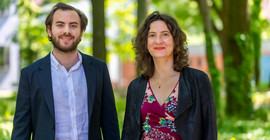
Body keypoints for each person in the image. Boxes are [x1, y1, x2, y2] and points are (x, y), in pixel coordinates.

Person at [11, 2, 120, 140]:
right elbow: (21, 131)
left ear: (81, 32)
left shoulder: (99, 70)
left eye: (73, 26)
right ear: (49, 30)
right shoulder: (30, 74)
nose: (66, 31)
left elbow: (111, 126)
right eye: (60, 25)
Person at [121, 11, 217, 140]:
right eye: (152, 35)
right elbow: (128, 134)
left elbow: (210, 132)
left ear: (175, 40)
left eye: (165, 34)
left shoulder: (198, 80)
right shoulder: (135, 87)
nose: (158, 40)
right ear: (145, 42)